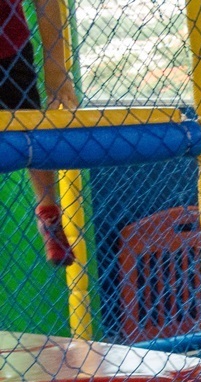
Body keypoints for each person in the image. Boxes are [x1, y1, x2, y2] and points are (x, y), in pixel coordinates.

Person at [1, 0, 78, 265]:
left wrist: (56, 70)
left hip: (9, 47)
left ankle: (48, 211)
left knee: (31, 125)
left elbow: (47, 4)